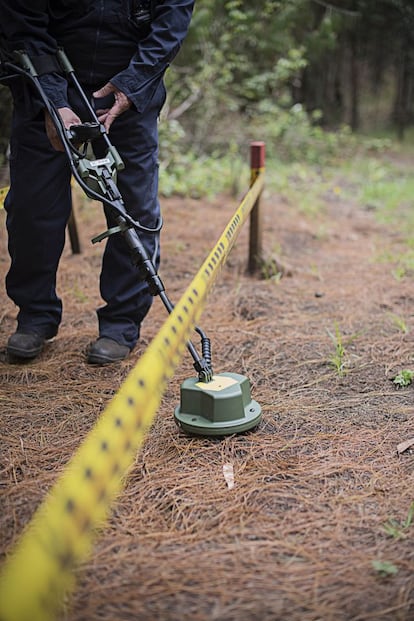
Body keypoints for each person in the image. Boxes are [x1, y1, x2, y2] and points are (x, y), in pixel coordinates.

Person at [0, 0, 194, 364]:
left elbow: (171, 24)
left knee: (134, 210)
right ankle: (35, 316)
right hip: (45, 82)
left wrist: (132, 86)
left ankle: (120, 324)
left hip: (131, 89)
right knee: (31, 207)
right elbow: (22, 23)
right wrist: (52, 101)